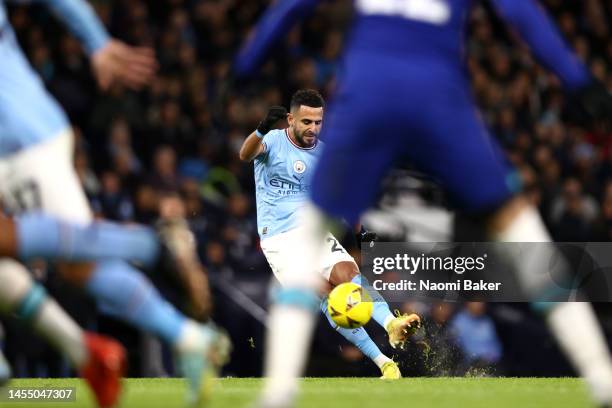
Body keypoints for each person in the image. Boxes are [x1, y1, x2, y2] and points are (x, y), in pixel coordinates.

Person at [235, 0, 612, 407]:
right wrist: (578, 80)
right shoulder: (276, 141)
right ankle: (602, 377)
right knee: (521, 229)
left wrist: (245, 65)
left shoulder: (320, 137)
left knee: (313, 236)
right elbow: (521, 12)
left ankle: (277, 395)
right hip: (438, 97)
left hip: (369, 94)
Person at [0, 0, 226, 403]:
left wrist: (96, 42)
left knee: (76, 264)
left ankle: (150, 246)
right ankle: (178, 336)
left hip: (21, 138)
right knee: (74, 266)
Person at [239, 89, 420, 382]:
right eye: (306, 122)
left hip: (312, 229)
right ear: (291, 119)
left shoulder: (323, 154)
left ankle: (390, 324)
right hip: (279, 240)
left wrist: (361, 232)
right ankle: (383, 361)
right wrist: (261, 128)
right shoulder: (271, 140)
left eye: (318, 122)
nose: (312, 128)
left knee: (348, 274)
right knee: (327, 295)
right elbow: (244, 155)